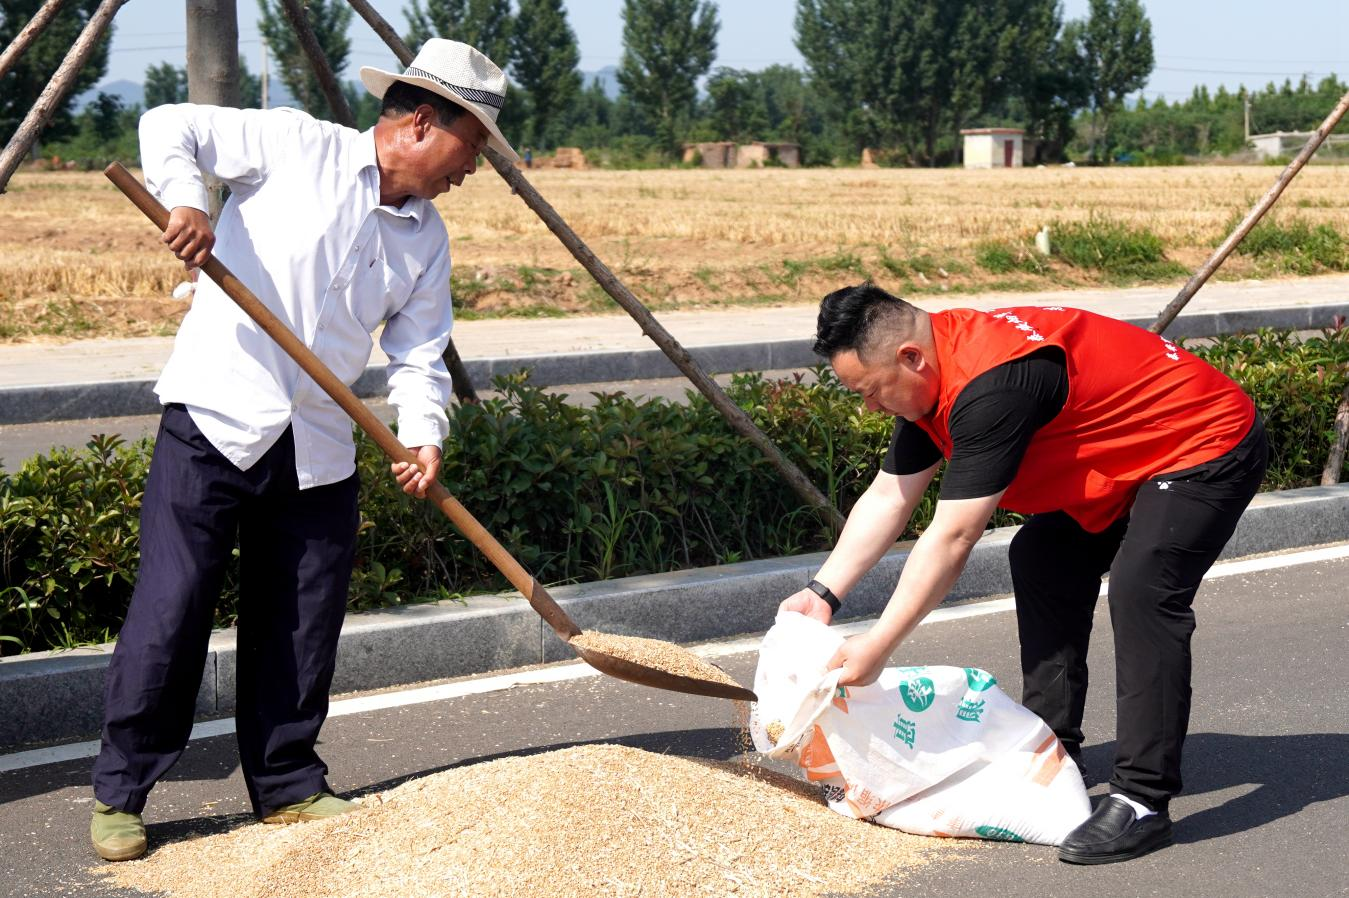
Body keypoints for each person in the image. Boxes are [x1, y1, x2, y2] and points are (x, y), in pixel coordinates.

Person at [89, 39, 519, 862]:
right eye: (476, 148)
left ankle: (287, 783)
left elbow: (421, 355)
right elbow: (168, 123)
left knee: (300, 622)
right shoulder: (297, 146)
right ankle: (122, 792)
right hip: (216, 419)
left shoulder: (424, 238)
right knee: (172, 610)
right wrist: (188, 204)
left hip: (318, 444)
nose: (476, 169)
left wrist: (423, 437)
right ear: (425, 124)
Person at [781, 284, 1267, 865]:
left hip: (1203, 444)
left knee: (1143, 590)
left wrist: (879, 643)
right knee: (1042, 555)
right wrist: (822, 594)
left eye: (871, 391)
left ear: (910, 358)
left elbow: (954, 535)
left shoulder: (993, 385)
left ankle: (1142, 799)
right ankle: (1051, 747)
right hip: (1122, 459)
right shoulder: (936, 370)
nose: (871, 407)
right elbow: (891, 494)